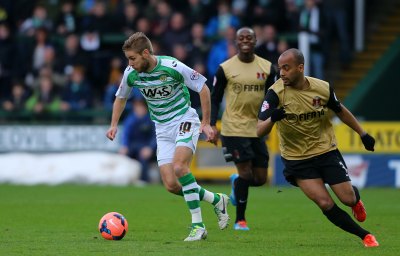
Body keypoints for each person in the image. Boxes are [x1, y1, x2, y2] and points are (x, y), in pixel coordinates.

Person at [106, 32, 230, 242]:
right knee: (171, 185)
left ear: (145, 53)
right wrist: (113, 125)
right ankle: (217, 200)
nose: (130, 63)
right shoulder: (131, 74)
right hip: (162, 129)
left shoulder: (172, 67)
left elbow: (203, 88)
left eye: (133, 58)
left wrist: (207, 123)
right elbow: (120, 98)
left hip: (184, 119)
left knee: (180, 167)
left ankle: (197, 226)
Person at [256, 48, 379, 247]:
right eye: (280, 69)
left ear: (300, 67)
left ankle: (355, 201)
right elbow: (259, 130)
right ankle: (365, 236)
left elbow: (340, 111)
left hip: (326, 151)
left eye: (286, 68)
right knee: (324, 202)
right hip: (297, 159)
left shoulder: (322, 88)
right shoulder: (275, 93)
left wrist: (362, 134)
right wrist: (272, 119)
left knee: (347, 198)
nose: (282, 73)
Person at [210, 27, 276, 231]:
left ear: (256, 40)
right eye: (241, 38)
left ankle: (236, 183)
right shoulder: (225, 68)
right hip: (233, 129)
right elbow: (215, 98)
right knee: (246, 174)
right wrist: (211, 124)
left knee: (260, 179)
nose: (245, 41)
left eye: (249, 37)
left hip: (257, 129)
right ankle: (240, 220)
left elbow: (271, 99)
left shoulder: (267, 68)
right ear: (236, 42)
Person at [119, 96, 157, 183]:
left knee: (143, 156)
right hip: (133, 146)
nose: (138, 108)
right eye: (136, 106)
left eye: (140, 106)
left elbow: (155, 136)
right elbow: (125, 134)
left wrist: (150, 148)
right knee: (124, 156)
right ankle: (126, 179)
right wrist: (124, 146)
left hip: (145, 146)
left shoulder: (151, 119)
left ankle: (144, 180)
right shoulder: (130, 119)